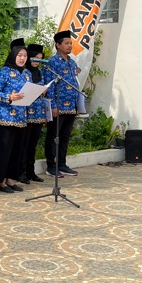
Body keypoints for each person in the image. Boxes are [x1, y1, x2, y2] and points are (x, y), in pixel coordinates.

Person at [41, 30, 82, 177]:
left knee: (64, 136)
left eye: (70, 43)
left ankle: (62, 164)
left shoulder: (72, 62)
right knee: (54, 136)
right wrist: (52, 106)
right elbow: (49, 84)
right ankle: (51, 166)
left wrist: (78, 104)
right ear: (58, 45)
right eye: (66, 43)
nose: (69, 45)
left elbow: (74, 83)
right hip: (58, 105)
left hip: (71, 106)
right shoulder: (52, 62)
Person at [0, 42, 31, 193]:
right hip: (5, 117)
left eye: (25, 56)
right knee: (4, 151)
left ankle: (11, 180)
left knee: (17, 151)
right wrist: (9, 97)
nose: (22, 59)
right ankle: (1, 182)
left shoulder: (27, 73)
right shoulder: (4, 71)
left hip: (21, 118)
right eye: (19, 55)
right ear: (13, 56)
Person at [24, 43, 48, 182]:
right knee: (24, 144)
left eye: (39, 59)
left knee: (33, 145)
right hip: (27, 112)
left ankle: (30, 171)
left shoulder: (39, 72)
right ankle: (21, 172)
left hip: (38, 112)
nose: (36, 62)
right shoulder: (24, 72)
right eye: (35, 58)